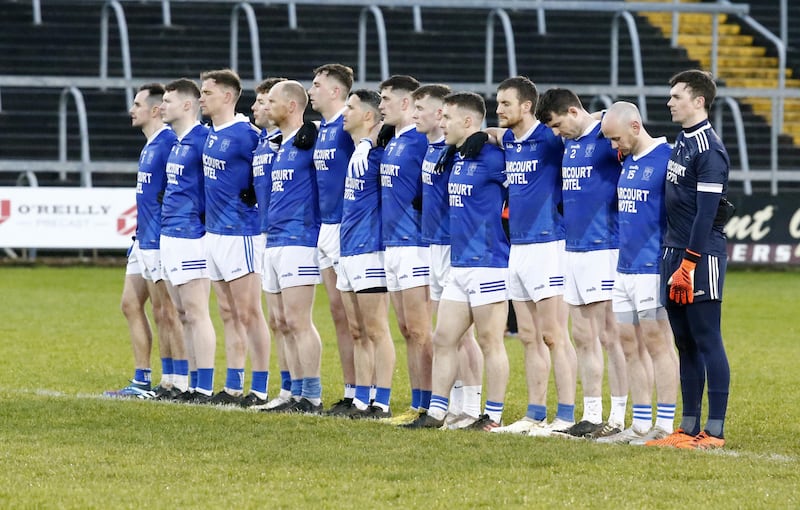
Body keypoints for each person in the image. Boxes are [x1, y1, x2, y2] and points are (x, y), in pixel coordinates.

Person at [405, 92, 509, 431]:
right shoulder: (458, 156)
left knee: (490, 340)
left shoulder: (493, 157)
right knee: (443, 337)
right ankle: (437, 412)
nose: (442, 122)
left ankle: (491, 416)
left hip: (488, 260)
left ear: (467, 121)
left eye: (447, 117)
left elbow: (524, 175)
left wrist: (495, 132)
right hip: (460, 262)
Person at [484, 77, 578, 436]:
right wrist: (488, 132)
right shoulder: (508, 139)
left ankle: (566, 416)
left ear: (526, 106)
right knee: (528, 336)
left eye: (505, 104)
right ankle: (534, 414)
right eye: (497, 104)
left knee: (555, 334)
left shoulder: (551, 138)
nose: (499, 109)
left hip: (548, 244)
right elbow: (496, 132)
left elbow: (590, 122)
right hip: (518, 247)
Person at [535, 88, 628, 439]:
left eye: (559, 125)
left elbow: (632, 131)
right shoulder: (570, 142)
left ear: (574, 112)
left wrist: (606, 116)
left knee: (609, 335)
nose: (557, 134)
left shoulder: (606, 135)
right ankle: (590, 414)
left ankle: (617, 417)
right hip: (572, 249)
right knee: (582, 335)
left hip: (604, 247)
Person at [646, 70, 731, 450]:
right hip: (672, 251)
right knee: (684, 342)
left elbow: (706, 213)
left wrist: (690, 263)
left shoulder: (709, 150)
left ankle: (714, 431)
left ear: (698, 101)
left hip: (700, 256)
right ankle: (688, 425)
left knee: (707, 338)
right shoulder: (682, 141)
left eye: (677, 96)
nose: (669, 102)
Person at [595, 101, 680, 445]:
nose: (614, 146)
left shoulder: (668, 158)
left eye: (616, 139)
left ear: (634, 126)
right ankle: (641, 424)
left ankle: (666, 422)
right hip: (624, 267)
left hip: (651, 267)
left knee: (658, 343)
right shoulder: (628, 161)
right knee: (629, 344)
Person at [411, 83, 484, 429]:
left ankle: (469, 404)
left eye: (421, 109)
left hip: (455, 246)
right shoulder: (432, 150)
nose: (416, 116)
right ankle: (452, 404)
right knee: (446, 334)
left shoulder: (459, 149)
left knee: (461, 334)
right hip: (434, 245)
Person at [105, 83, 183, 400]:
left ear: (154, 110)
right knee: (129, 304)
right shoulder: (151, 144)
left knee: (167, 311)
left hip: (160, 239)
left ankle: (176, 381)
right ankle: (142, 380)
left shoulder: (166, 143)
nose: (131, 109)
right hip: (143, 238)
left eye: (137, 104)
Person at [199, 69, 271, 405]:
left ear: (227, 97)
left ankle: (259, 388)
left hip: (241, 231)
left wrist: (256, 198)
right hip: (214, 232)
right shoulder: (211, 133)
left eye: (207, 92)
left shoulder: (246, 135)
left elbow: (270, 163)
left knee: (249, 312)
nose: (202, 98)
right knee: (227, 312)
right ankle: (233, 384)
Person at [260, 80, 325, 414]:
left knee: (299, 320)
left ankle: (310, 394)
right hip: (274, 238)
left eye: (272, 101)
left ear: (291, 106)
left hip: (299, 239)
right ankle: (290, 390)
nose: (266, 106)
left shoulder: (311, 139)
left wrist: (314, 128)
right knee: (280, 322)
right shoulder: (281, 144)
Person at [336, 89, 395, 419]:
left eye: (352, 107)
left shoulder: (379, 154)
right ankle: (361, 398)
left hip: (370, 250)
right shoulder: (359, 151)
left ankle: (382, 402)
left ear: (369, 117)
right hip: (348, 250)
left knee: (376, 330)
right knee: (356, 330)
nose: (345, 112)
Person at [377, 75, 433, 425]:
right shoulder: (393, 140)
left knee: (421, 329)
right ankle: (417, 403)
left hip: (415, 244)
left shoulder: (420, 141)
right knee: (406, 329)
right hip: (392, 244)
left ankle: (432, 403)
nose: (380, 105)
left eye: (385, 99)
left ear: (405, 104)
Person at [157, 78, 216, 402]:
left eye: (168, 101)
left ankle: (204, 386)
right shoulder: (178, 142)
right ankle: (193, 384)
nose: (162, 106)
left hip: (192, 234)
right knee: (181, 314)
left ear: (188, 105)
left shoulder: (203, 139)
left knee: (195, 312)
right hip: (171, 234)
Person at [308, 64, 358, 415]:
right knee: (338, 314)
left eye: (316, 85)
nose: (311, 90)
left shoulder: (347, 125)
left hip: (346, 226)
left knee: (356, 317)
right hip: (325, 227)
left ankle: (366, 392)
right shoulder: (322, 128)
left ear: (336, 92)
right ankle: (351, 388)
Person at [248, 77, 289, 409]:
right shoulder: (262, 141)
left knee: (290, 320)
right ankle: (288, 389)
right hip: (266, 234)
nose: (257, 108)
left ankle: (305, 389)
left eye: (264, 102)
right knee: (277, 320)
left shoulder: (293, 140)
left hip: (290, 235)